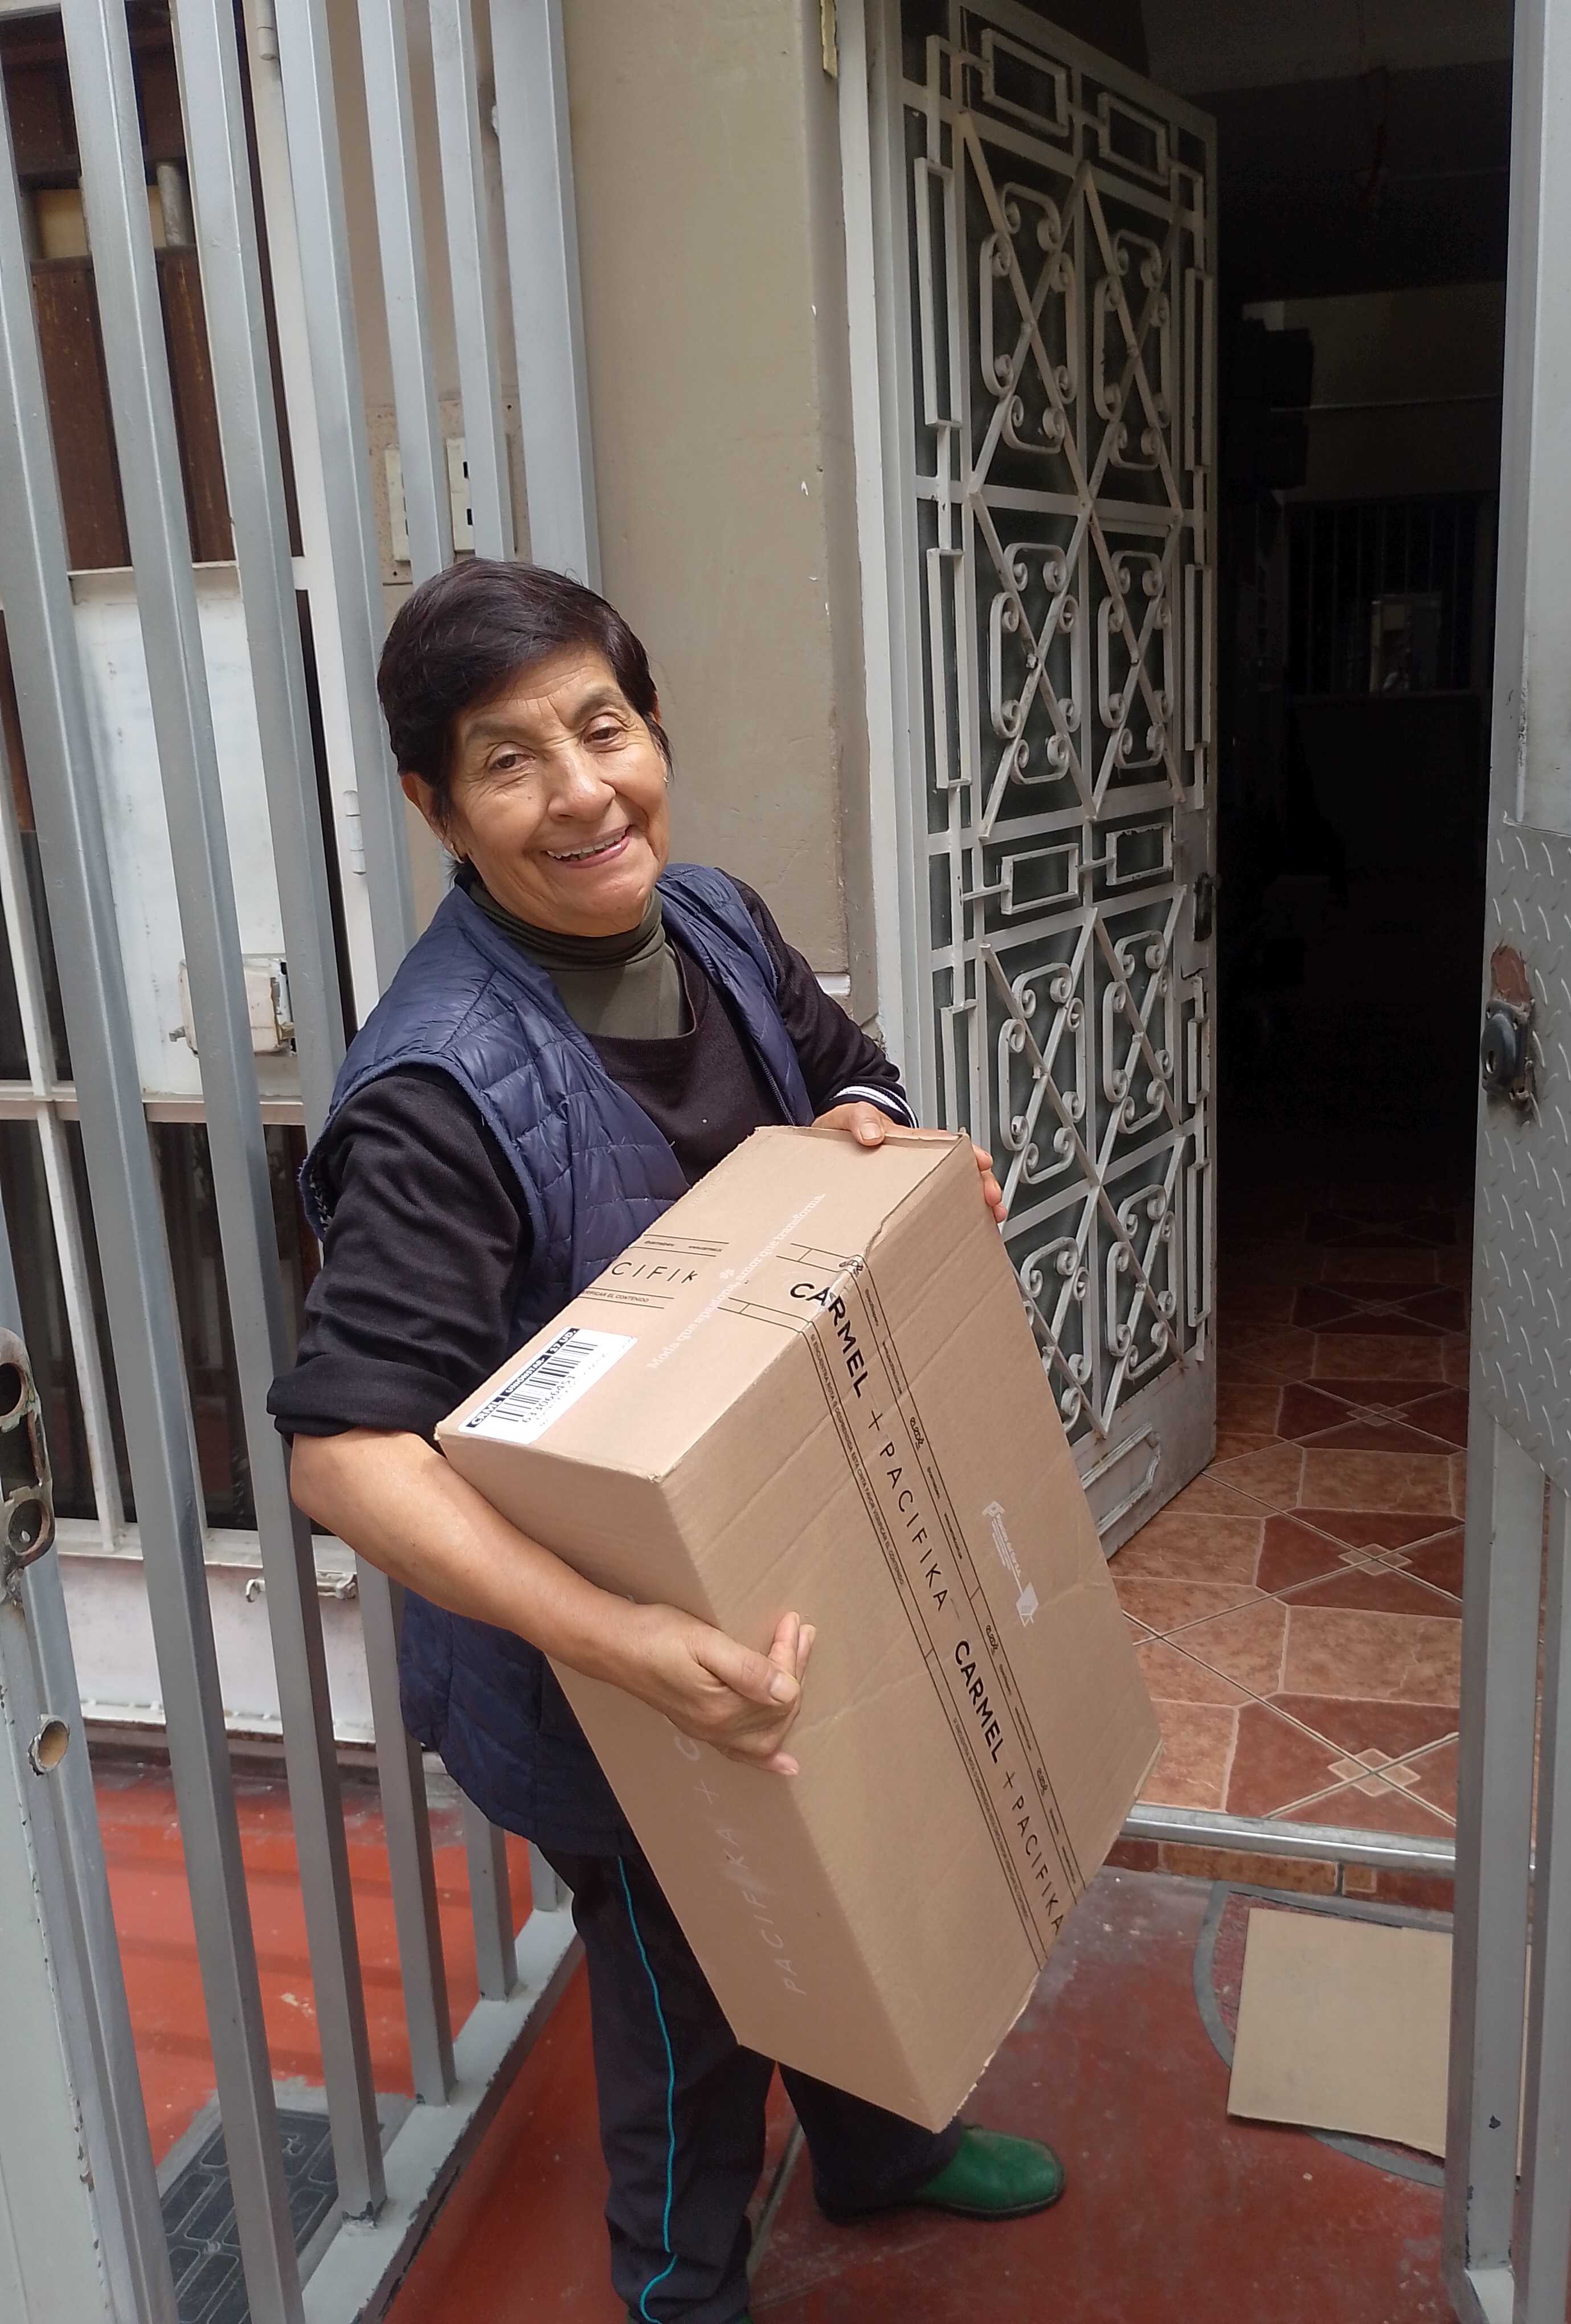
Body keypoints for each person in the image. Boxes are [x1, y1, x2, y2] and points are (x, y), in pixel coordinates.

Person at [271, 560, 1064, 2324]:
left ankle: (879, 2155)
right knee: (693, 2001)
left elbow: (850, 1066)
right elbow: (346, 1456)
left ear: (652, 733)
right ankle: (676, 2295)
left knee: (841, 1872)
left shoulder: (709, 919)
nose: (582, 794)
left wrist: (877, 1140)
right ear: (434, 805)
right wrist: (625, 1642)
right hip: (595, 1676)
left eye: (604, 729)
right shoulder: (438, 1095)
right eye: (509, 761)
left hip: (781, 1558)